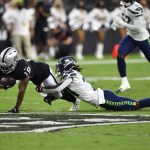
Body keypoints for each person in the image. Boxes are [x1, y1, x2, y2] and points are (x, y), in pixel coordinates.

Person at [36, 56, 150, 111]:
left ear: (66, 66)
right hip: (103, 98)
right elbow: (61, 90)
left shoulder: (70, 76)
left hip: (104, 99)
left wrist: (43, 90)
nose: (58, 68)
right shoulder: (70, 75)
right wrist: (51, 96)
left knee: (136, 105)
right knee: (134, 105)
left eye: (60, 66)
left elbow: (57, 89)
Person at [0, 47, 80, 113]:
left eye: (6, 66)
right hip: (34, 77)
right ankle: (50, 95)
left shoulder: (22, 69)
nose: (4, 68)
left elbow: (22, 89)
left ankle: (75, 100)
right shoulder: (5, 67)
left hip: (44, 72)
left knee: (58, 93)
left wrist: (16, 107)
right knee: (5, 81)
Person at [111, 0, 150, 92]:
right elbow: (125, 15)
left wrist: (123, 24)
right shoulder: (122, 3)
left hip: (142, 37)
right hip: (131, 36)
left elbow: (138, 27)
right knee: (120, 55)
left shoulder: (137, 7)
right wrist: (117, 22)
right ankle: (125, 83)